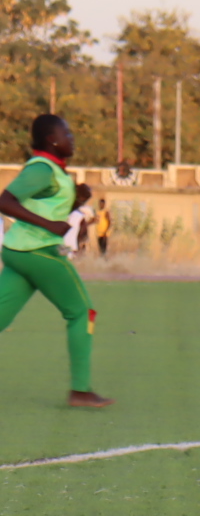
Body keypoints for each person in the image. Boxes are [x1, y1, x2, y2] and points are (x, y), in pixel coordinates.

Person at [0, 115, 110, 407]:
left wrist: (76, 202)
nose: (72, 137)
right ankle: (80, 391)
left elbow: (46, 206)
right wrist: (50, 227)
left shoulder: (55, 172)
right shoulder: (42, 169)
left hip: (20, 251)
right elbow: (5, 201)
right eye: (67, 132)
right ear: (51, 139)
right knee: (81, 312)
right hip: (38, 251)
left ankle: (81, 391)